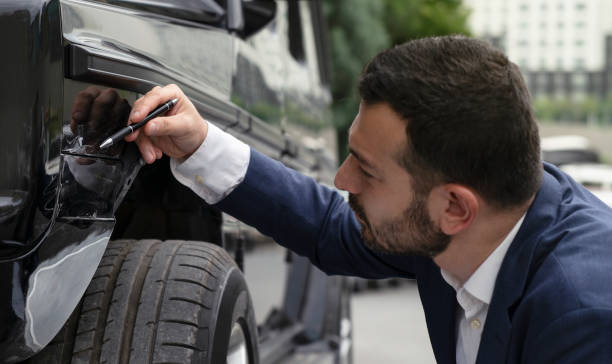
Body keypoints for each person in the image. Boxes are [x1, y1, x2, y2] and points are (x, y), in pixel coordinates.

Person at [123, 36, 612, 363]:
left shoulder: (585, 319)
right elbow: (330, 228)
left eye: (366, 169)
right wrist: (200, 143)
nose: (341, 178)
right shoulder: (467, 225)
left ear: (456, 208)